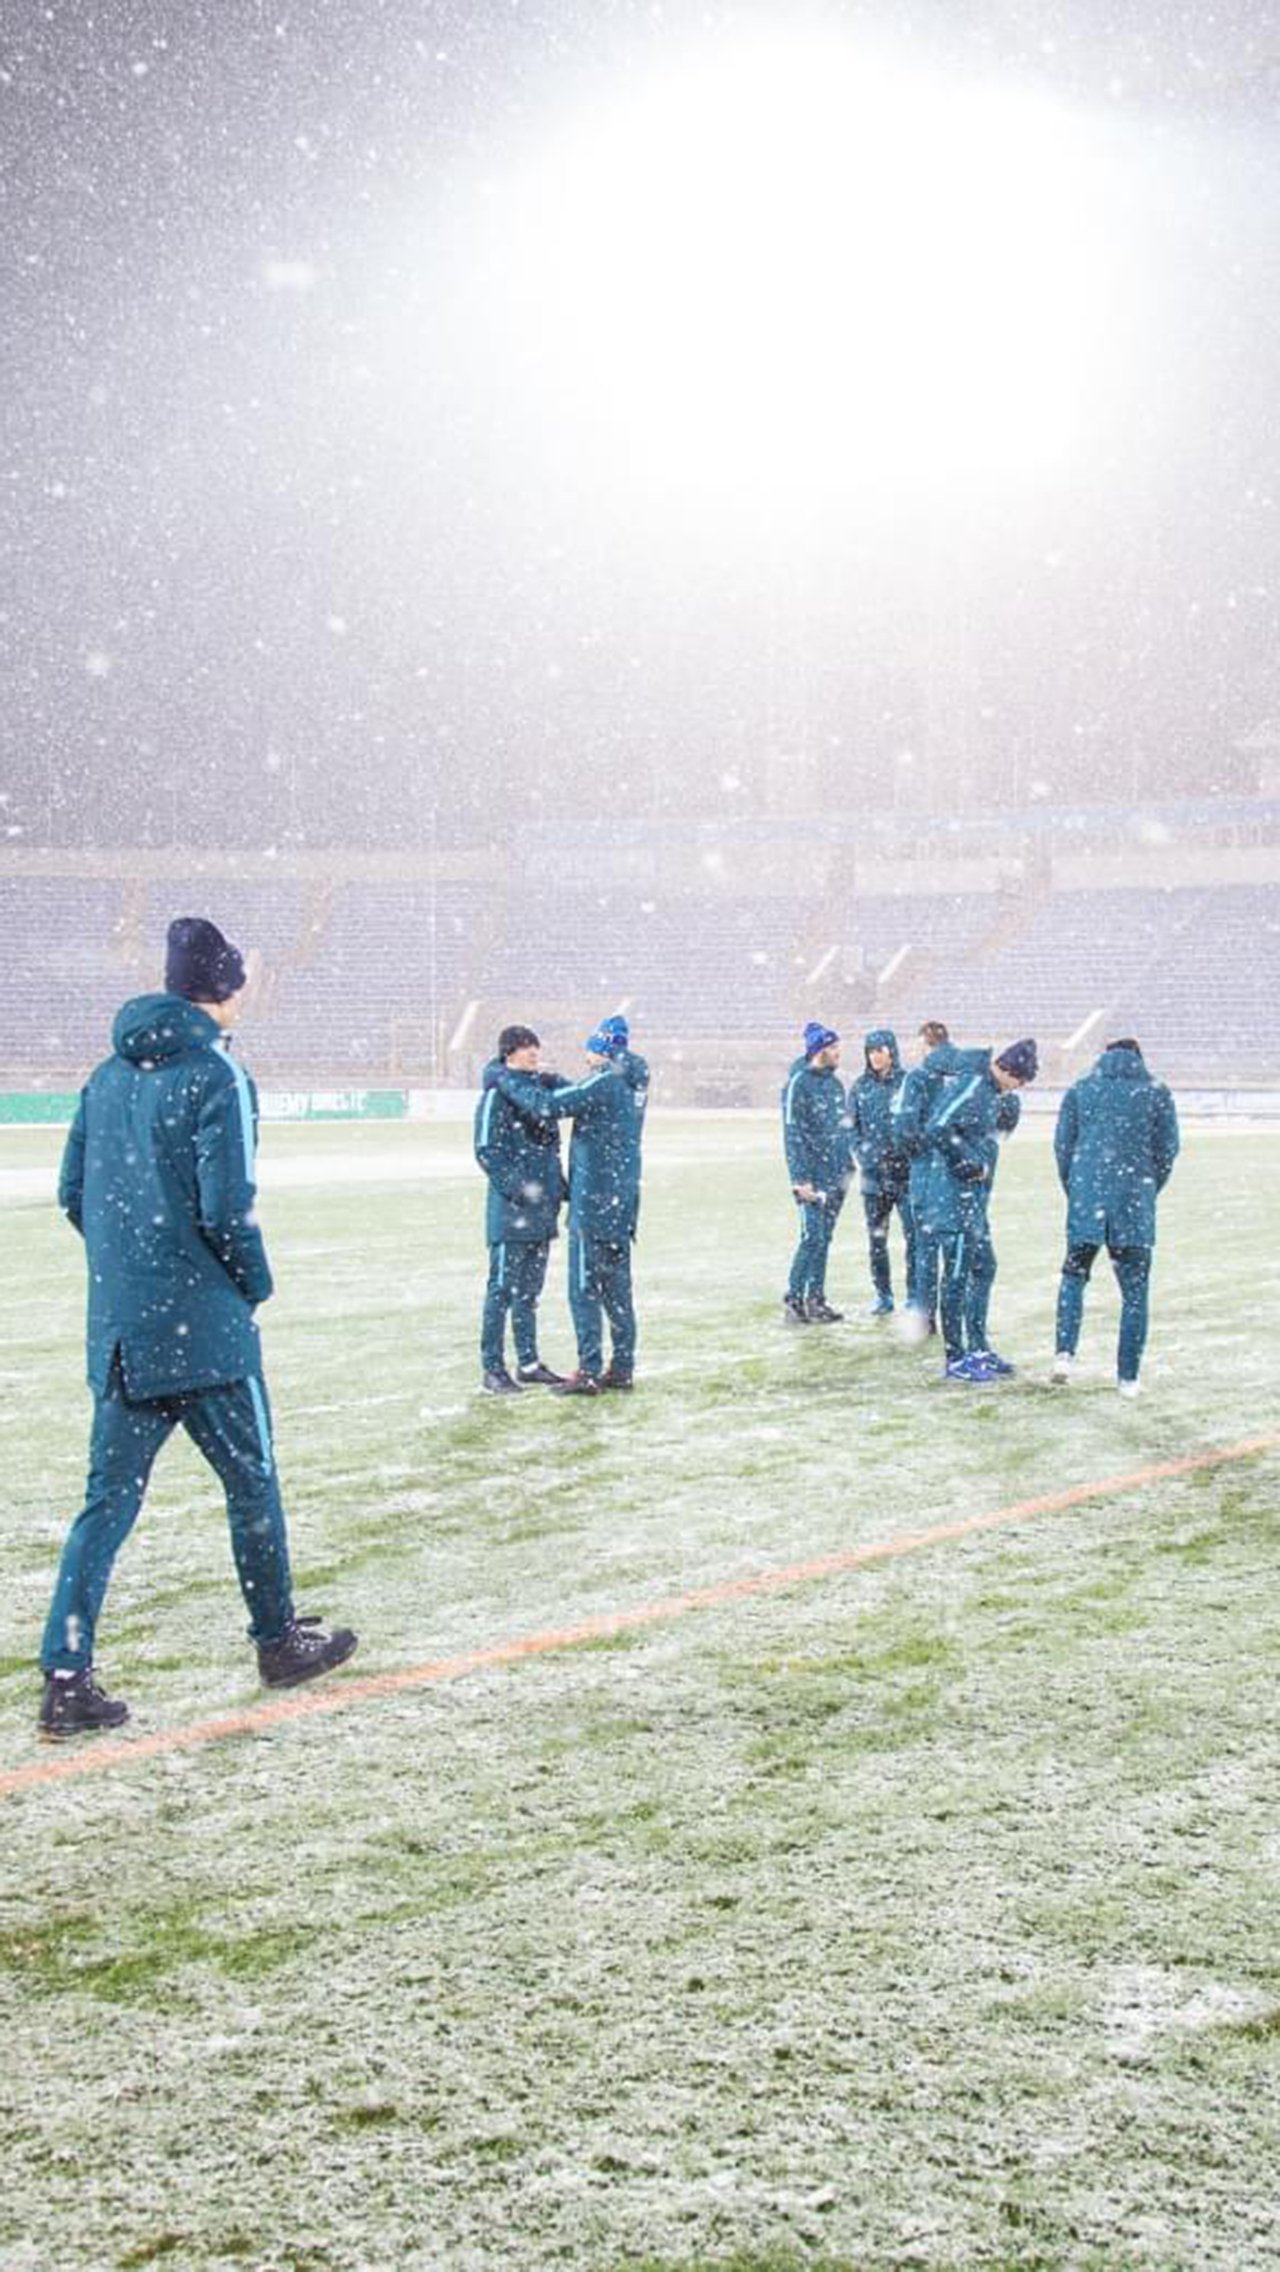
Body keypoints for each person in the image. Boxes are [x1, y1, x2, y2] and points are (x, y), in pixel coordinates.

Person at [37, 917, 357, 1739]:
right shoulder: (217, 1073)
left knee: (103, 1506)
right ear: (224, 990)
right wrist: (250, 1283)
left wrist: (134, 1264)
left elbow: (75, 1192)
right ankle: (277, 1640)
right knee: (252, 1484)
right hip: (204, 1328)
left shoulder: (107, 1074)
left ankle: (66, 1678)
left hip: (124, 1331)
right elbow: (228, 1207)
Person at [495, 1014, 649, 1395]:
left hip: (593, 1204)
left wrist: (507, 1079)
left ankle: (590, 1370)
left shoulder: (605, 1082)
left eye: (590, 1048)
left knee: (584, 1290)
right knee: (618, 1291)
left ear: (601, 1049)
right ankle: (623, 1366)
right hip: (621, 1204)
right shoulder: (631, 1085)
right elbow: (582, 1095)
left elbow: (548, 1106)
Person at [1051, 1038, 1180, 1397]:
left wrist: (1077, 1189)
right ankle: (1128, 1377)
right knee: (1135, 1295)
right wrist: (1147, 1188)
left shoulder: (1081, 1089)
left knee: (1073, 1276)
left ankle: (1064, 1353)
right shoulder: (1156, 1092)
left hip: (1087, 1200)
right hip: (1133, 1204)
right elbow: (1168, 1150)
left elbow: (1063, 1147)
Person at [919, 1038, 1038, 1382]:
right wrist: (967, 1163)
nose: (1020, 1088)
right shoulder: (972, 1084)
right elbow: (937, 1126)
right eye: (1022, 1081)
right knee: (956, 1275)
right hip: (952, 1201)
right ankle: (956, 1357)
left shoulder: (990, 1093)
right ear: (1010, 1072)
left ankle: (978, 1346)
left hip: (973, 1202)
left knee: (985, 1266)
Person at [474, 1024, 569, 1394]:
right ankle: (492, 1368)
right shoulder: (497, 1095)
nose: (533, 1053)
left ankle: (528, 1362)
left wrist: (555, 1189)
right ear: (508, 1053)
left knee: (530, 1291)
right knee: (501, 1290)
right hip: (511, 1213)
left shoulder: (540, 1089)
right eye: (526, 1048)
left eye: (535, 1047)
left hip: (541, 1212)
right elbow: (486, 1151)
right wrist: (519, 1191)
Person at [890, 1020, 962, 1331]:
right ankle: (957, 1316)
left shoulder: (918, 1078)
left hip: (927, 1175)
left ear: (925, 1044)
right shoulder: (967, 1077)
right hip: (961, 1176)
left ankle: (925, 1314)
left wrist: (920, 1149)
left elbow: (904, 1127)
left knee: (925, 1249)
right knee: (960, 1250)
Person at [781, 1022, 851, 1323]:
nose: (839, 1053)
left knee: (825, 1238)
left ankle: (816, 1299)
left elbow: (840, 1129)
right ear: (820, 1050)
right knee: (812, 1237)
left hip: (835, 1175)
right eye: (834, 1048)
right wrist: (800, 1179)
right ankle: (793, 1298)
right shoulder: (799, 1083)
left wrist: (848, 1164)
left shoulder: (835, 1085)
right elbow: (792, 1133)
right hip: (811, 1176)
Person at [846, 1027, 915, 1317]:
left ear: (891, 1052)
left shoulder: (909, 1084)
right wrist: (865, 1154)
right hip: (874, 1179)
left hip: (907, 1176)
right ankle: (883, 1294)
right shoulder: (859, 1087)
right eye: (870, 1051)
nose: (875, 1056)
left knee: (915, 1238)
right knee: (877, 1240)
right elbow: (851, 1130)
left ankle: (915, 1296)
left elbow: (919, 1123)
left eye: (880, 1050)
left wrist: (906, 1151)